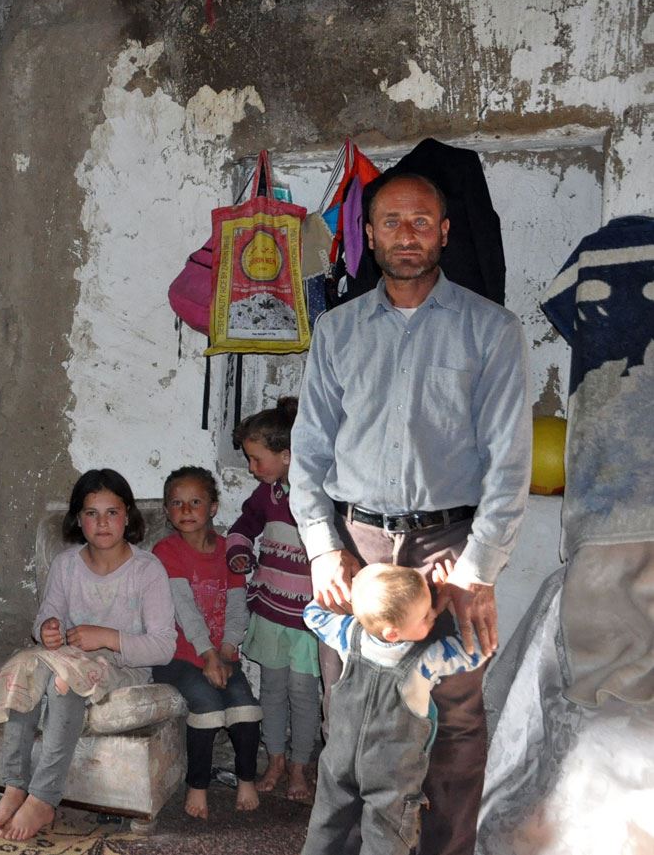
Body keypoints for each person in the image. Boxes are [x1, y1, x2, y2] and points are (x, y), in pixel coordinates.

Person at [289, 169, 531, 855]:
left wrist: (479, 569)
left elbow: (509, 462)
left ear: (444, 232)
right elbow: (309, 451)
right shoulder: (337, 330)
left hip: (450, 548)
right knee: (351, 713)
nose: (406, 234)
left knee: (454, 716)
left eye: (422, 221)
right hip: (355, 547)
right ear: (368, 234)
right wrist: (322, 547)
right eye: (391, 221)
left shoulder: (491, 329)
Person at [0, 468, 177, 841]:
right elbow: (45, 617)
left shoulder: (147, 570)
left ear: (128, 516)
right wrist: (48, 629)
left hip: (123, 667)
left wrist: (107, 637)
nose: (102, 523)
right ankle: (15, 786)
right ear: (78, 519)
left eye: (112, 512)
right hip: (69, 658)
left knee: (63, 681)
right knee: (25, 669)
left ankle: (43, 798)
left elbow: (164, 646)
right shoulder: (66, 564)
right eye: (91, 513)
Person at [302, 563, 487, 855]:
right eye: (425, 615)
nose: (433, 614)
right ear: (392, 633)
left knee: (325, 827)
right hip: (392, 775)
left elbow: (312, 614)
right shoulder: (426, 659)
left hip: (338, 761)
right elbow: (477, 651)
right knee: (385, 842)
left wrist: (353, 595)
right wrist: (454, 606)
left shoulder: (348, 634)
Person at [150, 465, 262, 818]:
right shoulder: (166, 551)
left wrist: (227, 651)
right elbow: (183, 608)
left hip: (222, 654)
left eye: (195, 502)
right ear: (167, 510)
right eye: (177, 503)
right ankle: (197, 785)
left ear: (213, 507)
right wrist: (208, 654)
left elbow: (237, 606)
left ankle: (246, 778)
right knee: (207, 704)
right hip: (179, 656)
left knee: (245, 706)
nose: (185, 510)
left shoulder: (230, 550)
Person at [226, 396, 319, 803]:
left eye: (255, 459)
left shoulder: (320, 493)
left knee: (304, 695)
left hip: (309, 619)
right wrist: (239, 552)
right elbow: (242, 526)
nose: (251, 468)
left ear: (287, 455)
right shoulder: (267, 495)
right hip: (270, 612)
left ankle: (300, 765)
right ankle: (276, 760)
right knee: (272, 691)